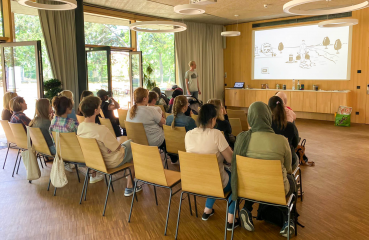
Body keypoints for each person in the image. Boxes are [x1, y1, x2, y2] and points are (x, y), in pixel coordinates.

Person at [231, 101, 295, 238]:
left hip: (248, 188)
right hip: (276, 188)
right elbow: (289, 169)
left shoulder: (242, 138)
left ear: (250, 117)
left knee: (257, 180)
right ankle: (288, 221)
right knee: (291, 180)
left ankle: (247, 209)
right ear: (268, 117)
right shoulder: (282, 140)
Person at [185, 104, 239, 231]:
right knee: (236, 181)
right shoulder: (216, 134)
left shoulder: (188, 134)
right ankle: (231, 220)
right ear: (213, 119)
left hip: (194, 182)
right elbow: (231, 159)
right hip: (215, 181)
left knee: (212, 173)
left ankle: (207, 210)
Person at [77, 96, 141, 195]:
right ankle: (129, 186)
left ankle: (130, 183)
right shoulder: (101, 129)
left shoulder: (80, 127)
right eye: (99, 106)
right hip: (110, 161)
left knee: (129, 148)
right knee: (133, 146)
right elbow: (117, 147)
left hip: (94, 162)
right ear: (96, 110)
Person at [49, 96, 80, 174]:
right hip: (74, 153)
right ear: (66, 108)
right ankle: (92, 174)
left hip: (59, 152)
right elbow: (80, 137)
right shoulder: (72, 123)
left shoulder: (53, 122)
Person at [269, 96, 299, 169]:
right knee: (296, 158)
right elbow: (295, 144)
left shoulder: (266, 126)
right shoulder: (291, 126)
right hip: (287, 163)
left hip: (269, 161)